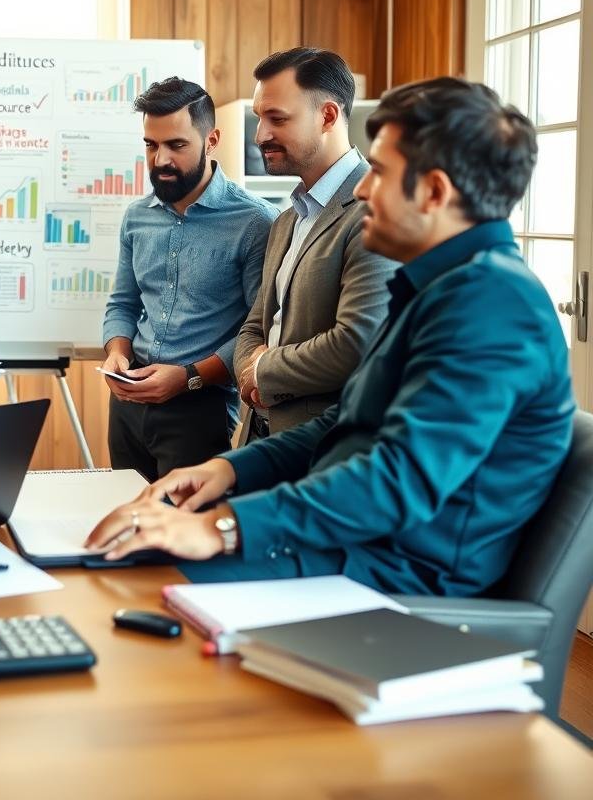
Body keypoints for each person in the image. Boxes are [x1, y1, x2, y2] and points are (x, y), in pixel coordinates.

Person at [87, 77, 575, 597]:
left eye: (381, 173)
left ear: (434, 192)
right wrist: (224, 472)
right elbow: (343, 425)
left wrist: (221, 526)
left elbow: (396, 480)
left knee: (145, 571)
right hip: (356, 546)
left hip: (395, 579)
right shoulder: (439, 288)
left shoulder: (492, 305)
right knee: (130, 555)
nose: (362, 189)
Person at [101, 76, 277, 481]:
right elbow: (123, 304)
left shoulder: (254, 222)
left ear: (211, 139)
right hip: (128, 399)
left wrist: (188, 378)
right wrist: (117, 353)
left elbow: (260, 328)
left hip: (201, 405)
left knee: (182, 533)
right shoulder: (136, 216)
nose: (160, 159)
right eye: (151, 145)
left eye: (176, 145)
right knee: (130, 525)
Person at [235, 47, 398, 436]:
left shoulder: (374, 212)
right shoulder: (286, 218)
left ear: (327, 116)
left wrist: (263, 371)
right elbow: (254, 325)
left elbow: (357, 342)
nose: (261, 135)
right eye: (260, 118)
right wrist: (249, 370)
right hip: (259, 433)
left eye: (277, 118)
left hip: (323, 447)